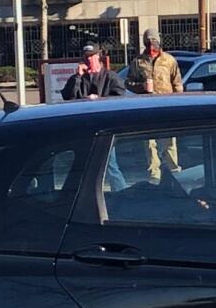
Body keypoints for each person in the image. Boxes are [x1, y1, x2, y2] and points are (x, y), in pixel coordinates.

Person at [63, 44, 127, 190]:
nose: (89, 59)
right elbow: (68, 97)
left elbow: (121, 98)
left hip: (105, 129)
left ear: (98, 56)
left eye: (92, 56)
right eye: (86, 57)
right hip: (83, 128)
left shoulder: (110, 77)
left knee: (109, 165)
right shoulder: (77, 78)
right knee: (82, 166)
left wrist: (100, 99)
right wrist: (78, 77)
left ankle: (121, 193)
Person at [126, 30, 184, 181]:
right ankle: (154, 175)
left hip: (167, 107)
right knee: (150, 143)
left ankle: (174, 172)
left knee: (169, 142)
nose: (152, 45)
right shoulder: (138, 62)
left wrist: (178, 103)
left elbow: (177, 83)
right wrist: (141, 87)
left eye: (154, 42)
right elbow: (128, 83)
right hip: (147, 108)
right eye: (148, 42)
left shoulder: (169, 60)